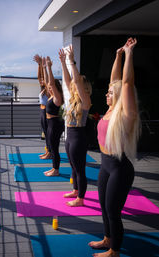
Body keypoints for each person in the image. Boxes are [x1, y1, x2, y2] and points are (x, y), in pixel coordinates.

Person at [88, 38, 140, 257]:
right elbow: (115, 81)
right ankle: (107, 239)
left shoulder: (125, 114)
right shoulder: (110, 110)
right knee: (104, 207)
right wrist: (117, 56)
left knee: (112, 211)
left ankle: (114, 251)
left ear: (118, 97)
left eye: (110, 93)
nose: (106, 94)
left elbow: (125, 84)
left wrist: (129, 53)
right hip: (105, 166)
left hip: (119, 168)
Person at [59, 45, 92, 207]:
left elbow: (76, 81)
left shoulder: (86, 102)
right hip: (70, 137)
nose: (73, 86)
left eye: (77, 85)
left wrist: (71, 61)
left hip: (78, 137)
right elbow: (67, 81)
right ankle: (75, 190)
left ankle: (81, 199)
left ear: (84, 88)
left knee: (79, 169)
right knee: (73, 166)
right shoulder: (72, 100)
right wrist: (63, 63)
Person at [43, 56, 64, 176]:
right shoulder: (51, 96)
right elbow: (47, 82)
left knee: (54, 148)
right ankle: (54, 168)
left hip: (55, 124)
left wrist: (50, 67)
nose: (49, 88)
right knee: (52, 146)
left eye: (51, 87)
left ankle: (56, 170)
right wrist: (44, 67)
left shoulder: (57, 98)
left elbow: (50, 82)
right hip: (51, 123)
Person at [33, 54, 51, 159]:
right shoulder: (42, 88)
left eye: (45, 79)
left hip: (46, 112)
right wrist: (39, 64)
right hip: (42, 111)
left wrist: (43, 66)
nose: (42, 80)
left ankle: (50, 152)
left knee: (48, 134)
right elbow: (40, 77)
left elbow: (45, 78)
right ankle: (48, 150)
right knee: (45, 132)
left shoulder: (48, 89)